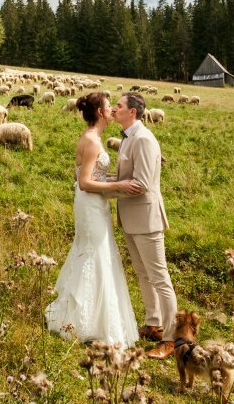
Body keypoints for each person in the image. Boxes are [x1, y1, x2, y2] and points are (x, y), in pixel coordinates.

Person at [45, 91, 143, 347]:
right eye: (109, 106)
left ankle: (95, 315)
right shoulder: (91, 140)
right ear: (100, 112)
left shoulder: (95, 138)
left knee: (100, 252)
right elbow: (84, 181)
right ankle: (83, 319)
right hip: (90, 205)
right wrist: (118, 184)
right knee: (94, 253)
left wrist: (114, 183)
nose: (112, 109)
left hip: (96, 204)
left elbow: (95, 177)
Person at [110, 91, 179, 359]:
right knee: (142, 273)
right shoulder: (128, 138)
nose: (114, 109)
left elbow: (142, 184)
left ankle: (171, 339)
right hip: (130, 218)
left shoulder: (144, 139)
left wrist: (107, 189)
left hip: (146, 218)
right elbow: (125, 176)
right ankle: (153, 324)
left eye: (119, 105)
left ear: (133, 112)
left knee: (160, 278)